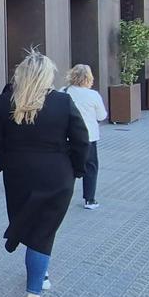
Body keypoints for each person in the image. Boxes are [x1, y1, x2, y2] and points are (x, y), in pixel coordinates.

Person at [0, 51, 88, 297]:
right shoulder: (62, 102)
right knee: (43, 232)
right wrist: (77, 169)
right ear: (46, 76)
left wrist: (8, 161)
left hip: (18, 175)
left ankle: (40, 273)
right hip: (56, 175)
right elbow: (81, 141)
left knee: (34, 227)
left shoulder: (5, 102)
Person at [61, 64, 107, 210]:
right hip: (89, 137)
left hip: (66, 137)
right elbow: (102, 115)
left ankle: (63, 197)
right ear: (89, 78)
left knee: (67, 167)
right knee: (90, 167)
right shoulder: (93, 95)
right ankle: (90, 199)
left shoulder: (63, 91)